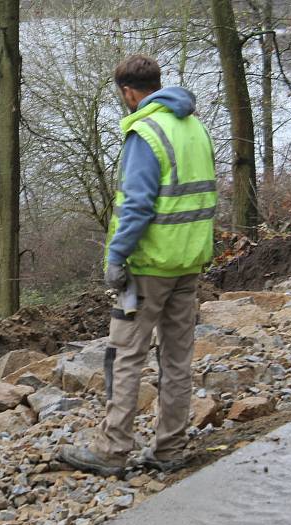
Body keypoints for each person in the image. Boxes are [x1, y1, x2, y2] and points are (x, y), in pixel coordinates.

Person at [60, 54, 218, 478]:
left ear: (129, 93)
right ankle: (170, 448)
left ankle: (112, 450)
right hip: (190, 260)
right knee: (177, 358)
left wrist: (115, 255)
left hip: (150, 265)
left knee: (125, 354)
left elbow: (137, 205)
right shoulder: (194, 126)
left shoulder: (145, 131)